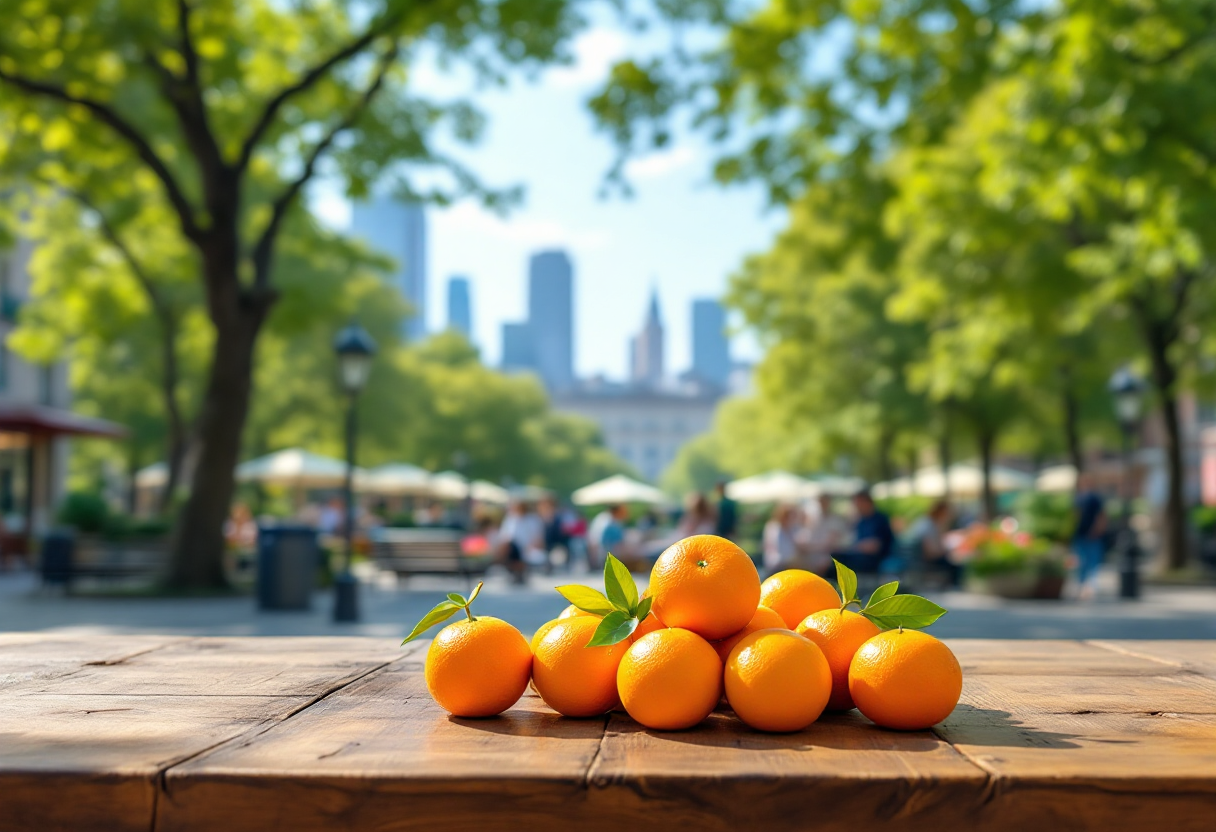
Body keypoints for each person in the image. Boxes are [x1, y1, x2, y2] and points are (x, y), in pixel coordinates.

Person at [837, 489, 894, 573]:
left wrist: (854, 547)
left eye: (858, 504)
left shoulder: (880, 519)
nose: (856, 507)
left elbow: (874, 546)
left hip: (877, 559)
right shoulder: (861, 521)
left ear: (867, 502)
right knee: (835, 558)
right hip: (861, 556)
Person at [908, 499, 960, 587]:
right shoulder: (929, 525)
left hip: (916, 559)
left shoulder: (924, 522)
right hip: (925, 561)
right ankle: (954, 587)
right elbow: (930, 552)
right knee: (955, 563)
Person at [1072, 472, 1107, 600]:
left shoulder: (1095, 498)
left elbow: (1101, 516)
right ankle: (1081, 586)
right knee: (1081, 561)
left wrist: (1097, 530)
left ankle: (1091, 587)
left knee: (1093, 562)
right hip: (1080, 533)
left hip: (1092, 535)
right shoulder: (1078, 498)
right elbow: (1075, 515)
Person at [498, 501, 545, 585]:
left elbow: (537, 537)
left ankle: (519, 573)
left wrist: (531, 546)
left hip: (528, 547)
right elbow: (504, 535)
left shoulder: (532, 520)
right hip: (513, 547)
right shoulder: (510, 519)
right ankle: (515, 572)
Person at [805, 495, 849, 575]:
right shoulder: (814, 519)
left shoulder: (835, 519)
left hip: (832, 554)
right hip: (815, 553)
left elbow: (832, 543)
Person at [762, 504, 801, 574]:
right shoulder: (773, 528)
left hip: (792, 565)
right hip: (776, 566)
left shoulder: (793, 528)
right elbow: (778, 550)